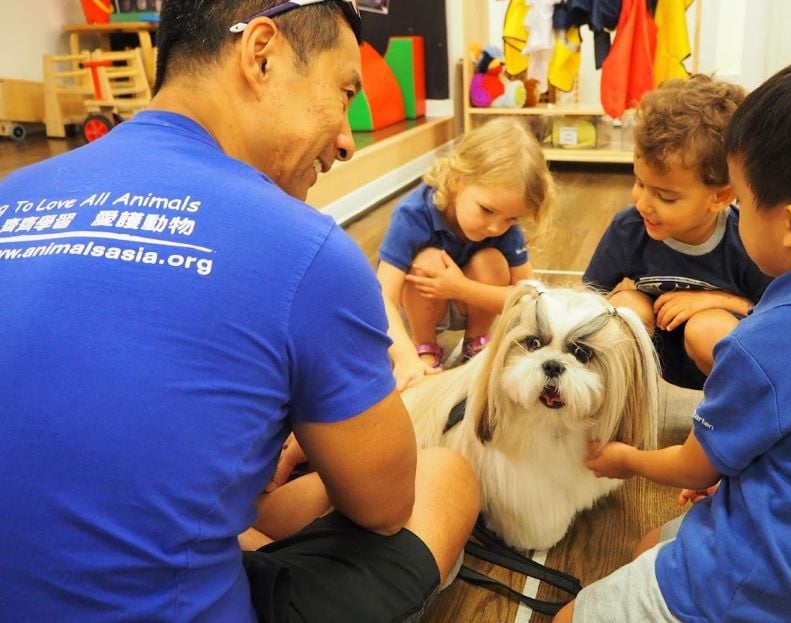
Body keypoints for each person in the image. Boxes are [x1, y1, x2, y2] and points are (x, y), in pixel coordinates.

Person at [0, 2, 480, 622]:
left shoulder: (12, 194)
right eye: (342, 93)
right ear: (261, 53)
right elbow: (385, 506)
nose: (346, 140)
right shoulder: (304, 247)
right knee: (445, 478)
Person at [556, 52, 791, 623]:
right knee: (650, 548)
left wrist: (627, 458)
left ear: (790, 224)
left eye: (740, 193)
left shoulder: (766, 343)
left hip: (752, 580)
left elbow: (694, 469)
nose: (734, 206)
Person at [583, 75, 772, 390]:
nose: (642, 203)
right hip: (658, 355)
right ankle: (620, 412)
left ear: (721, 197)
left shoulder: (746, 238)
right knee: (625, 308)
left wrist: (715, 301)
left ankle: (738, 423)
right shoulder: (628, 229)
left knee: (706, 327)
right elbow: (587, 299)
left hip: (722, 357)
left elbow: (781, 317)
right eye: (639, 183)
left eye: (665, 196)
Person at [376, 116, 556, 390]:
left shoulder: (502, 224)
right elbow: (381, 296)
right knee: (428, 261)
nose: (496, 227)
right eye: (487, 210)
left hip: (465, 300)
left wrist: (460, 288)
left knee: (491, 262)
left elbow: (529, 298)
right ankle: (426, 349)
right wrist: (404, 358)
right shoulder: (413, 214)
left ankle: (476, 344)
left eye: (511, 219)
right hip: (418, 307)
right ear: (458, 180)